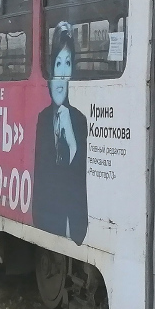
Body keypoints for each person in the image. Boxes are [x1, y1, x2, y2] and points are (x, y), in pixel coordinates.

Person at [32, 21, 88, 244]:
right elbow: (42, 178)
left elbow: (79, 181)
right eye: (57, 64)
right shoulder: (43, 119)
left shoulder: (80, 120)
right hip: (48, 221)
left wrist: (73, 143)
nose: (62, 74)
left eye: (67, 64)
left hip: (74, 227)